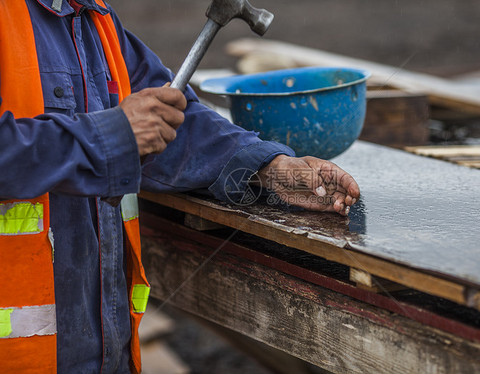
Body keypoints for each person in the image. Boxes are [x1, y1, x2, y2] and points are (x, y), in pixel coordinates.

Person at [0, 0, 360, 372]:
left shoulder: (92, 17)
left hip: (104, 353)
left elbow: (170, 120)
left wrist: (269, 167)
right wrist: (111, 137)